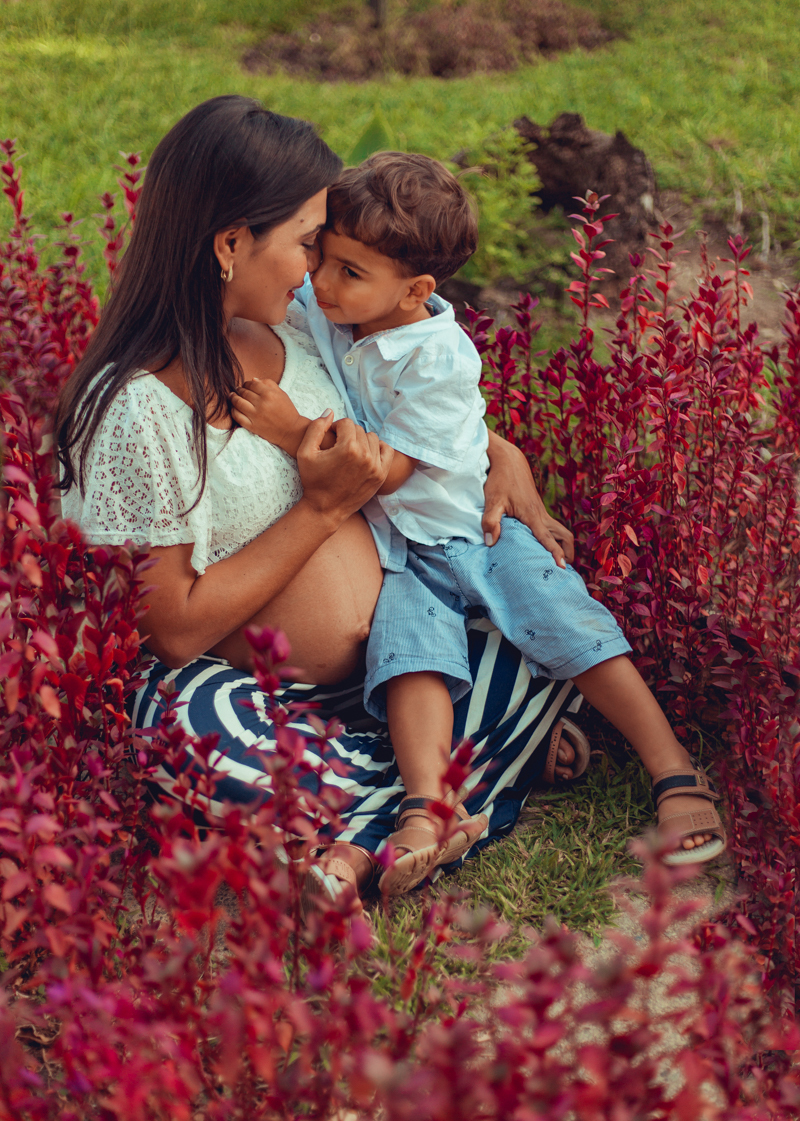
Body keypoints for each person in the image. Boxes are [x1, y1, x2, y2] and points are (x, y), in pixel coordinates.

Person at [54, 96, 589, 916]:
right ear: (231, 243)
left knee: (533, 622)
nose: (318, 268)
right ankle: (439, 794)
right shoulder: (134, 406)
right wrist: (319, 510)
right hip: (249, 693)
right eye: (308, 243)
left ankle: (375, 821)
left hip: (398, 662)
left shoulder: (301, 330)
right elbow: (172, 630)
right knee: (191, 731)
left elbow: (408, 422)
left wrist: (499, 453)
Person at [230, 150, 726, 894]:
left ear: (416, 290)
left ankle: (673, 770)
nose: (320, 282)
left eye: (348, 272)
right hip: (403, 554)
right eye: (322, 259)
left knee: (571, 629)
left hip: (474, 536)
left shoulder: (437, 357)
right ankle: (426, 813)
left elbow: (387, 470)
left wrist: (288, 427)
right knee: (410, 663)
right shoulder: (337, 312)